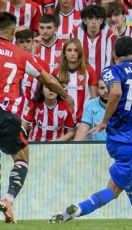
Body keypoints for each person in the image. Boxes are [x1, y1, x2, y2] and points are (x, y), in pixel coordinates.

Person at [49, 36, 132, 223]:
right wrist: (103, 121)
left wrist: (107, 122)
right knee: (113, 190)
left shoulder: (111, 70)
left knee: (128, 177)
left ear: (115, 55)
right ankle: (77, 210)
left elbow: (116, 91)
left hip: (115, 139)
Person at [0, 12, 73, 224]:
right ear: (13, 32)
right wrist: (65, 95)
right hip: (6, 115)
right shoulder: (22, 55)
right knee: (21, 159)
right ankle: (8, 198)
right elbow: (48, 79)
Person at [53, 38, 98, 123]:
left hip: (84, 121)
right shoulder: (56, 72)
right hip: (63, 122)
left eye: (76, 50)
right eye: (69, 50)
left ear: (80, 53)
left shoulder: (89, 71)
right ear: (64, 53)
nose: (73, 53)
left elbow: (94, 98)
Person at [72, 4, 115, 79]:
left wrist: (103, 80)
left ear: (101, 21)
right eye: (90, 18)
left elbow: (109, 61)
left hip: (102, 79)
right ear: (85, 20)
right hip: (81, 78)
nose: (94, 22)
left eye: (97, 18)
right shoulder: (76, 33)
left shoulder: (109, 34)